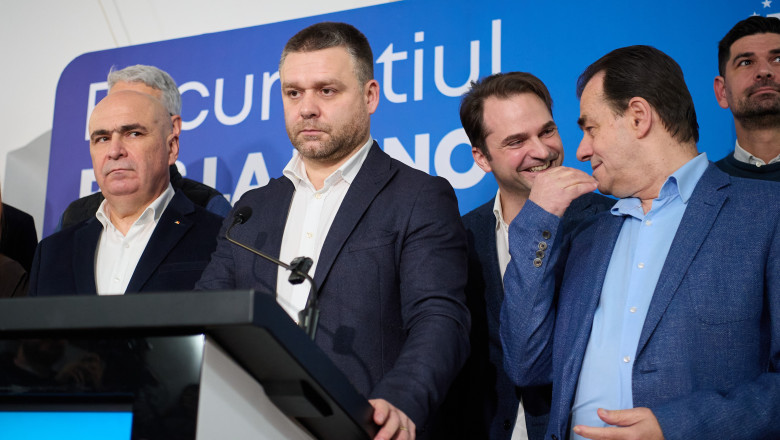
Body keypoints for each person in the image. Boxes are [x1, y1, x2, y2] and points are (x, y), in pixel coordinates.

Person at [196, 22, 470, 439]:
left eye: (326, 90)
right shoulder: (251, 209)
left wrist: (401, 400)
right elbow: (206, 314)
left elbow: (439, 316)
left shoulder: (417, 196)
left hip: (364, 427)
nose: (306, 108)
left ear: (369, 96)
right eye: (293, 93)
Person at [501, 45, 780, 440]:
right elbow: (525, 365)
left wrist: (677, 428)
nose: (580, 150)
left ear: (638, 117)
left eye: (590, 128)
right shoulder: (586, 237)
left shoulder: (767, 212)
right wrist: (537, 222)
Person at [432, 72, 612, 440]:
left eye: (547, 131)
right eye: (517, 141)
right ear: (481, 158)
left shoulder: (606, 222)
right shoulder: (461, 237)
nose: (542, 151)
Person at [29, 90, 223, 296]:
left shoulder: (219, 238)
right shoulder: (51, 253)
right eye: (102, 138)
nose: (114, 151)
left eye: (133, 134)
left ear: (172, 148)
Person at [58, 64, 231, 230]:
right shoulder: (74, 217)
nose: (114, 150)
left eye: (134, 132)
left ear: (173, 128)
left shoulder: (209, 208)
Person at [713, 15, 780, 181]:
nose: (764, 71)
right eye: (746, 62)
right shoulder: (698, 187)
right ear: (722, 91)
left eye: (778, 59)